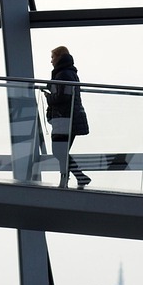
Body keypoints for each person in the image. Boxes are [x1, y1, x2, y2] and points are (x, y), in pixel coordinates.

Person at [44, 46, 91, 188]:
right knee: (61, 152)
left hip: (64, 119)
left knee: (59, 151)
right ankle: (75, 178)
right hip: (70, 118)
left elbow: (62, 97)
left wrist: (48, 97)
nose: (51, 60)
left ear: (58, 57)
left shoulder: (63, 74)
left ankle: (70, 179)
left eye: (52, 57)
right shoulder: (69, 73)